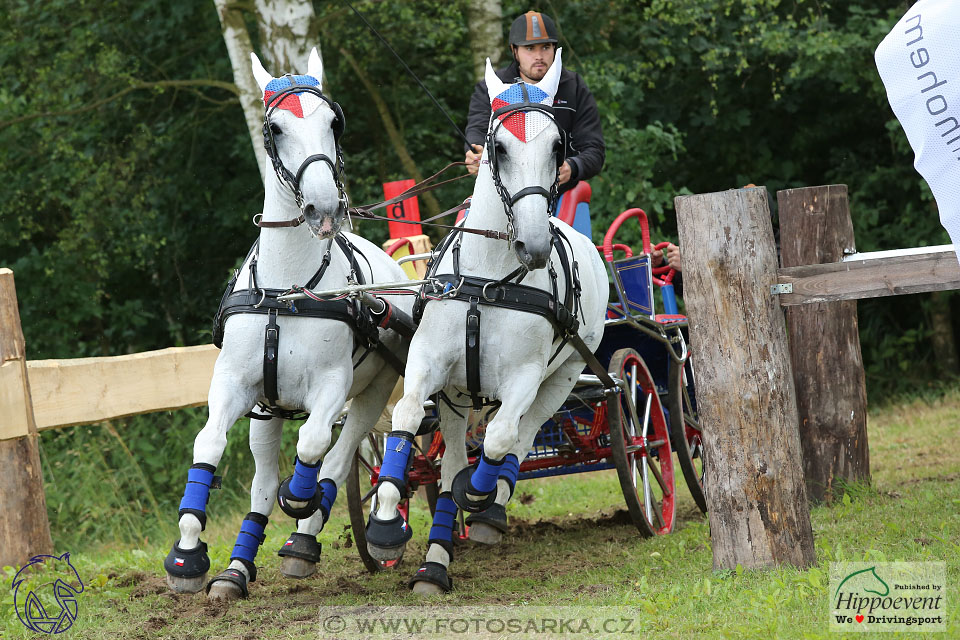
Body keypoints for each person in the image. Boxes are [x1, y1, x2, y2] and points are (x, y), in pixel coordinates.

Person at [463, 10, 605, 197]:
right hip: (503, 194)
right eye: (530, 48)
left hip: (560, 196)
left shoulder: (574, 86)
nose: (539, 56)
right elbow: (478, 129)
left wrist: (573, 166)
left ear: (555, 49)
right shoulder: (494, 87)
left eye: (545, 47)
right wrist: (475, 153)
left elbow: (594, 149)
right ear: (515, 51)